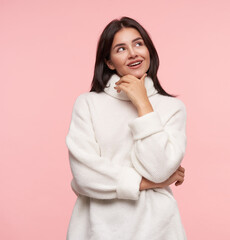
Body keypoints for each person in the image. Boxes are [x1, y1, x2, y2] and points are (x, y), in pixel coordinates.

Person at [65, 16, 187, 240]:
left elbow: (159, 168)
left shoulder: (172, 108)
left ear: (149, 51)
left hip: (158, 228)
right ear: (109, 62)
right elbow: (85, 176)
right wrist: (152, 183)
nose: (133, 53)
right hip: (97, 228)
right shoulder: (88, 104)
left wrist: (143, 105)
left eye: (139, 44)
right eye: (121, 48)